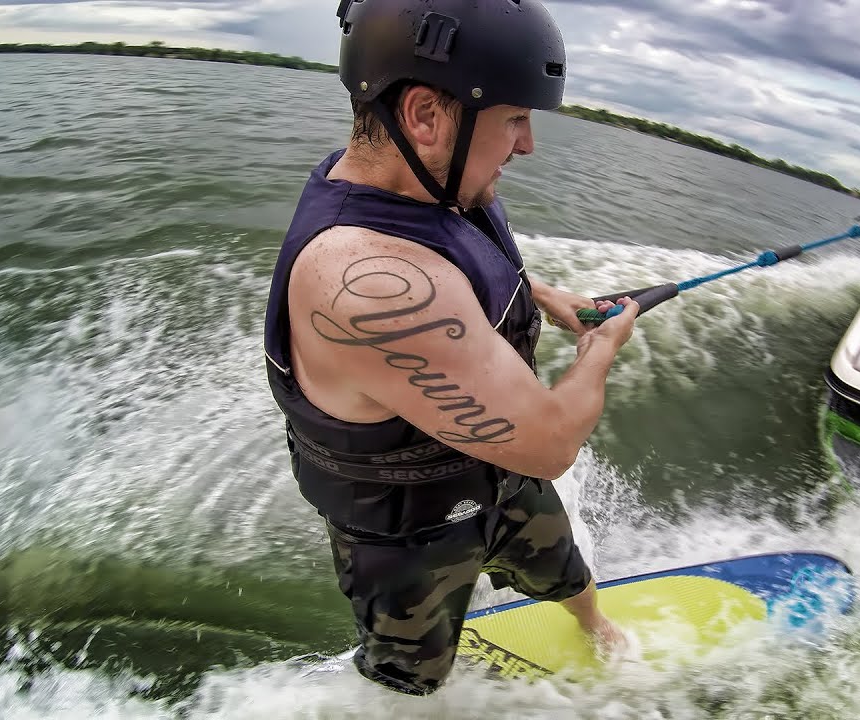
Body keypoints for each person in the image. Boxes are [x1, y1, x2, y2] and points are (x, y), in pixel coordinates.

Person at [261, 0, 639, 697]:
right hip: (408, 536)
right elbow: (551, 441)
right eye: (515, 118)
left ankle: (595, 625)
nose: (528, 145)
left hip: (496, 480)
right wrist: (602, 346)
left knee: (563, 566)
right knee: (412, 679)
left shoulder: (434, 183)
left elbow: (464, 265)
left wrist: (549, 297)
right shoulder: (364, 282)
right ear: (426, 116)